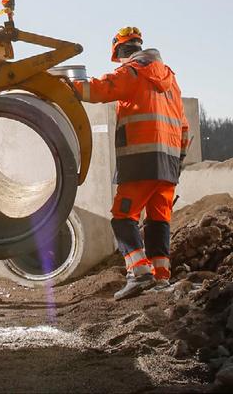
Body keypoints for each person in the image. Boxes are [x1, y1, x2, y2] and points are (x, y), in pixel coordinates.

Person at [73, 26, 189, 300]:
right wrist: (178, 161)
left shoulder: (132, 72)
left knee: (123, 217)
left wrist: (69, 86)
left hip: (140, 159)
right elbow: (183, 126)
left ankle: (139, 273)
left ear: (120, 53)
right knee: (158, 219)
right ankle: (161, 277)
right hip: (169, 163)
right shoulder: (171, 81)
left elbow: (98, 89)